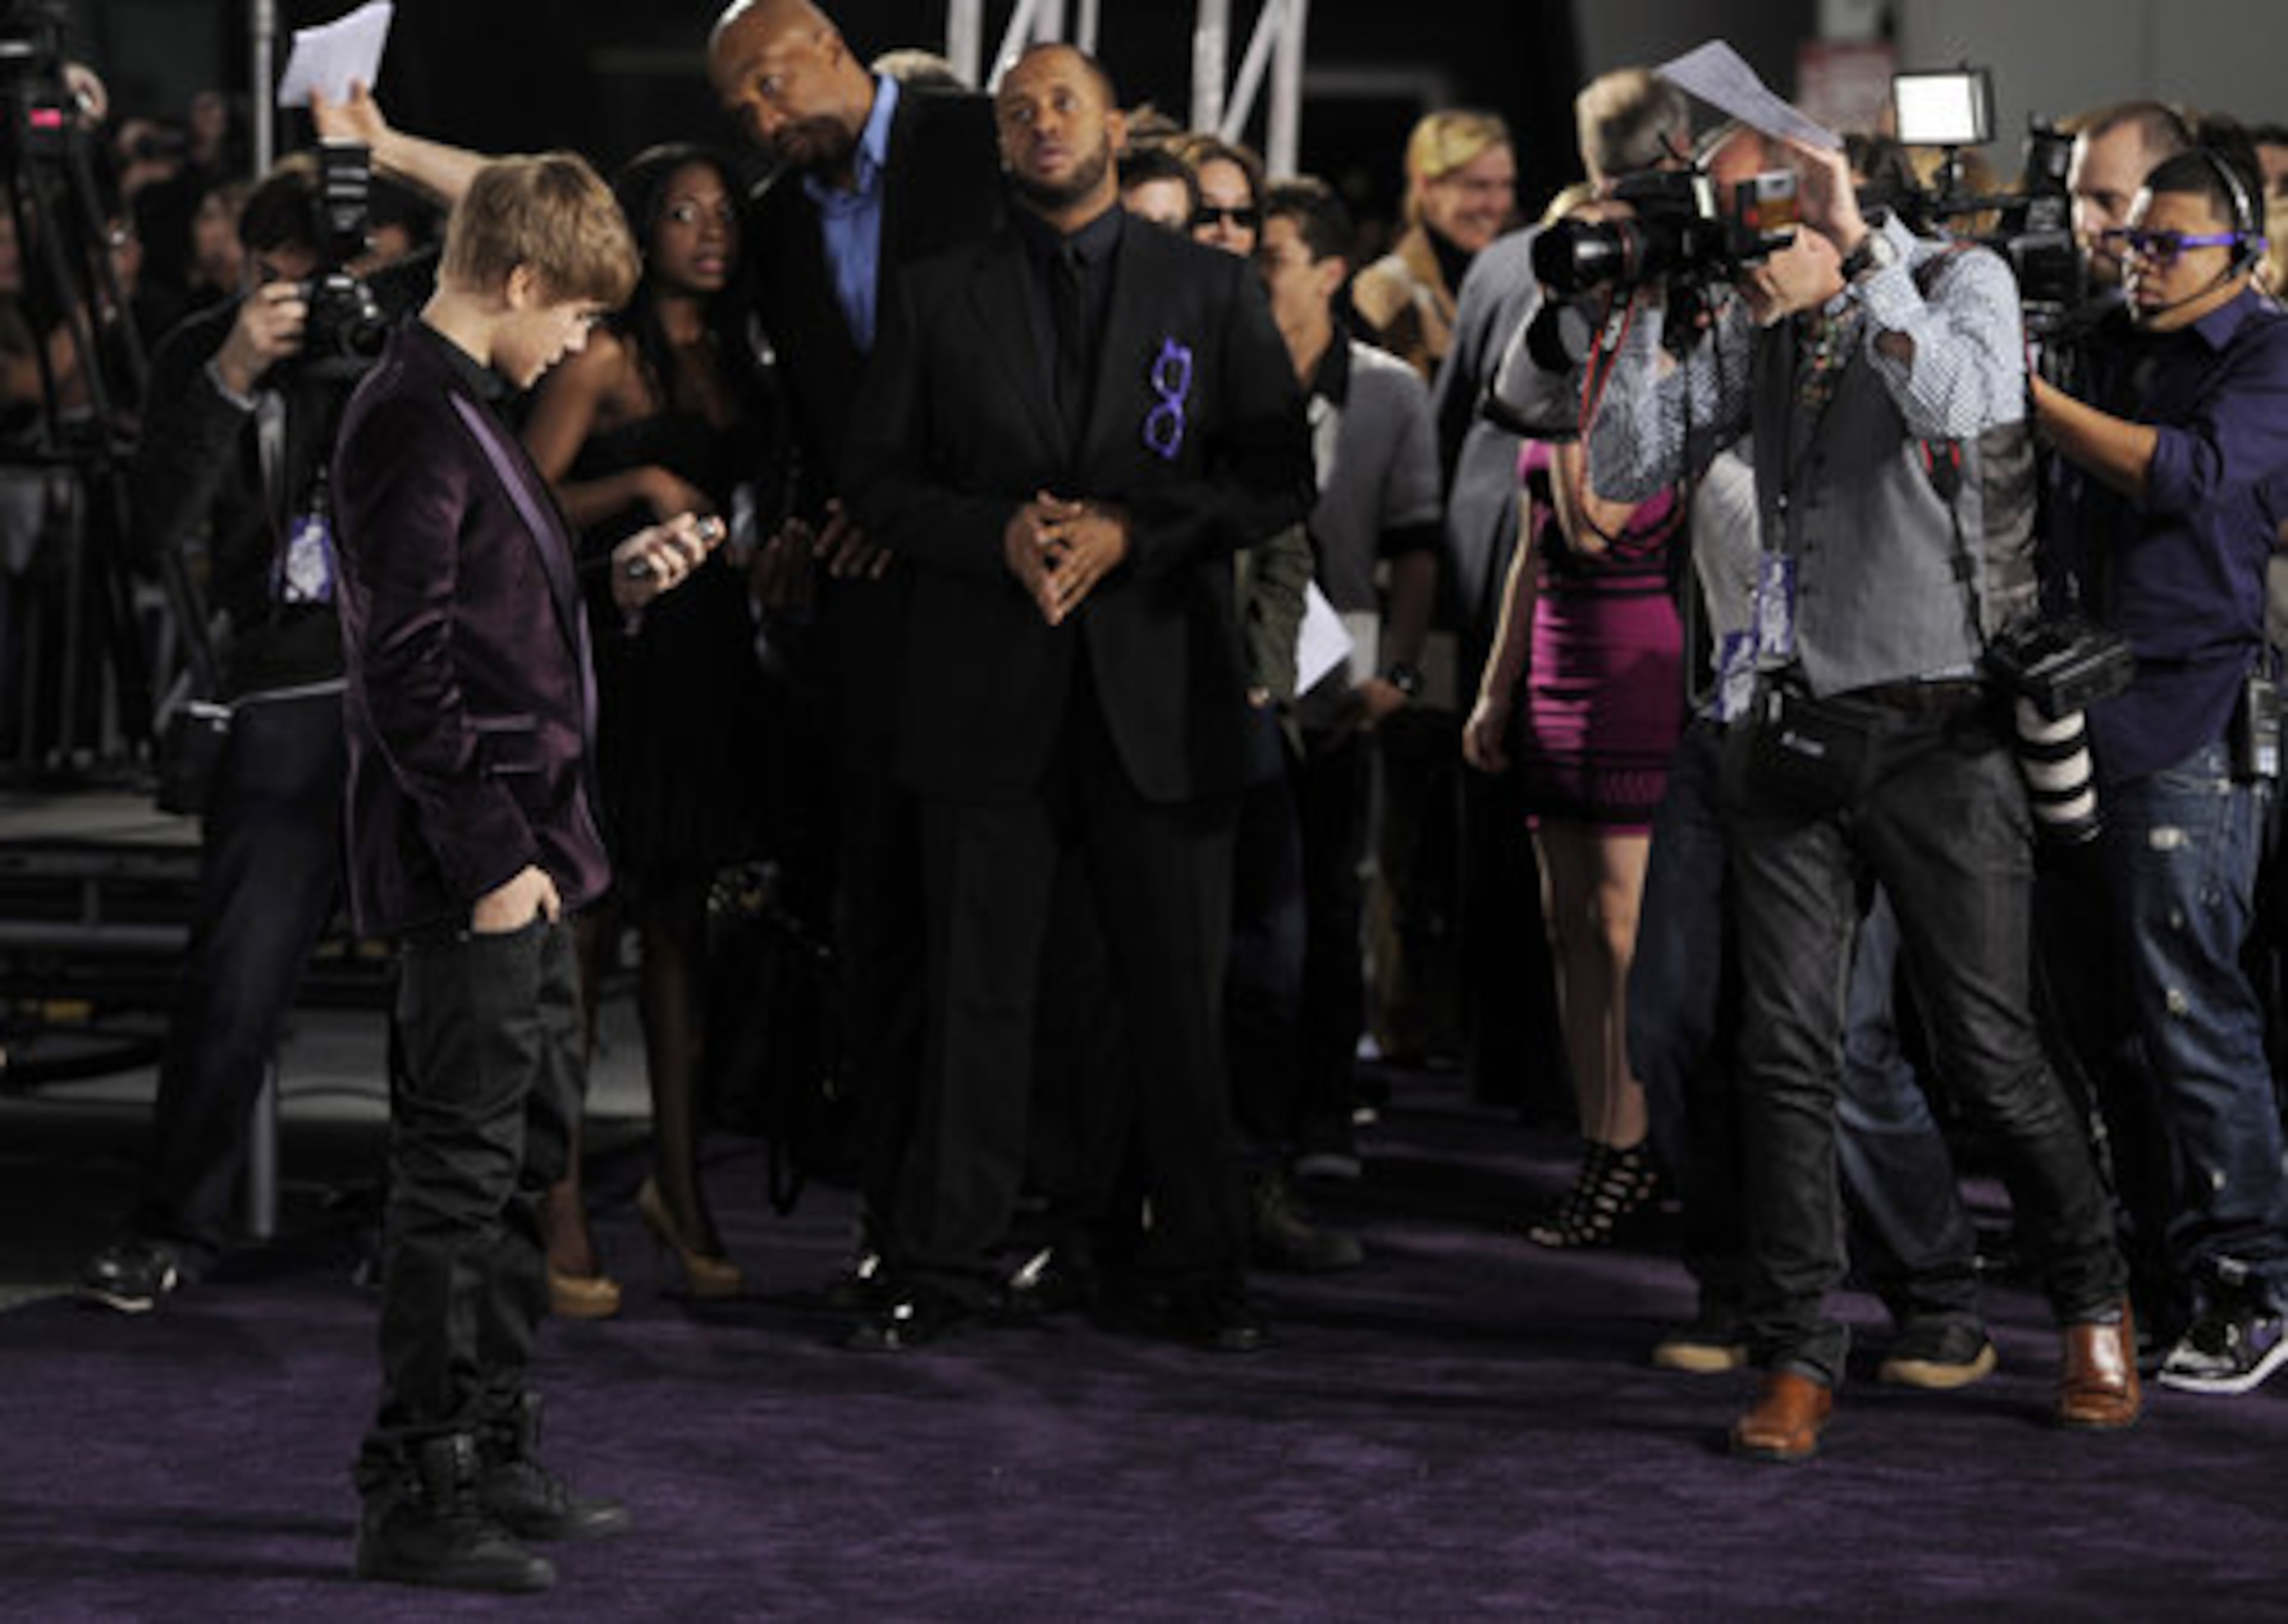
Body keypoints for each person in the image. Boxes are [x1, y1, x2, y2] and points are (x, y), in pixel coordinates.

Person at [1585, 127, 2138, 1461]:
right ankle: (1796, 1350)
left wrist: (1852, 281)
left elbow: (1961, 405)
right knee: (1783, 1056)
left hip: (1944, 733)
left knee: (1992, 1049)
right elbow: (1620, 472)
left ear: (1842, 194)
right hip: (1791, 732)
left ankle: (2092, 1301)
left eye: (1774, 197)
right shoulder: (1753, 312)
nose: (1755, 226)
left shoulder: (1965, 281)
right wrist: (1658, 304)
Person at [838, 42, 1312, 1352]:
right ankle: (945, 1265)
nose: (1040, 122)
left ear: (1113, 128)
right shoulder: (936, 296)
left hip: (1162, 695)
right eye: (1017, 111)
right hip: (986, 692)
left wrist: (1132, 534)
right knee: (975, 998)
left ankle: (1199, 1270)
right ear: (999, 145)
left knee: (1173, 1002)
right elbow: (875, 482)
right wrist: (994, 533)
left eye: (1063, 102)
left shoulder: (1210, 289)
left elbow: (1277, 480)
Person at [334, 153, 719, 1592]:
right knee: (457, 1175)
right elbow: (402, 670)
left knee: (508, 1168)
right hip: (478, 863)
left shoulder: (457, 412)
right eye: (576, 317)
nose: (585, 347)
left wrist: (610, 591)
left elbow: (481, 633)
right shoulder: (410, 420)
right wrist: (494, 858)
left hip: (528, 851)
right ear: (516, 280)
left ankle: (484, 1441)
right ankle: (418, 1480)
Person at [76, 158, 430, 1314]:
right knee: (234, 975)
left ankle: (421, 1213)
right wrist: (233, 376)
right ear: (262, 270)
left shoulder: (424, 340)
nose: (340, 296)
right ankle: (172, 1221)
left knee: (447, 983)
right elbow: (152, 531)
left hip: (425, 681)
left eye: (371, 265)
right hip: (284, 682)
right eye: (317, 273)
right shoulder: (205, 349)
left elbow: (529, 208)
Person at [707, 0, 1006, 1289]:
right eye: (745, 114)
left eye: (774, 88)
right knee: (883, 919)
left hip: (1008, 593)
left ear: (832, 46)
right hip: (865, 624)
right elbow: (804, 418)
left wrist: (916, 513)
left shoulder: (981, 144)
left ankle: (1037, 1208)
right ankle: (902, 1224)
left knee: (1007, 923)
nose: (767, 123)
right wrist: (799, 515)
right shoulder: (773, 226)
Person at [2032, 136, 2288, 1397]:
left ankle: (2254, 1280)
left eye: (2168, 244)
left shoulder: (2267, 354)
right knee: (2107, 1026)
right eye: (2131, 240)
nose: (2140, 263)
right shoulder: (2106, 343)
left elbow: (2179, 473)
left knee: (2194, 1011)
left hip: (2192, 722)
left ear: (2240, 254)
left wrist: (2032, 398)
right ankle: (2160, 1261)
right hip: (2083, 713)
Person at [521, 143, 785, 1314]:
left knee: (685, 943)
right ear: (640, 231)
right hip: (613, 666)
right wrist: (636, 492)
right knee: (583, 950)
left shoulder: (738, 357)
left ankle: (679, 1190)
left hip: (713, 668)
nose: (710, 232)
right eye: (683, 214)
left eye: (723, 213)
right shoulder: (605, 352)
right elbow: (515, 501)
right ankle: (559, 1197)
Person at [1253, 175, 1438, 1254]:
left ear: (1328, 270)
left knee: (1329, 897)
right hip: (1243, 671)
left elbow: (1415, 546)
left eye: (1271, 253)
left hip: (1347, 669)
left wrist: (1399, 678)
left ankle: (1323, 1108)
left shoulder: (1388, 391)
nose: (1252, 270)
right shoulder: (1222, 373)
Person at [1351, 108, 1518, 382]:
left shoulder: (1516, 282)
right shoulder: (1386, 290)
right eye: (1478, 186)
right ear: (1426, 186)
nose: (1497, 205)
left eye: (1505, 185)